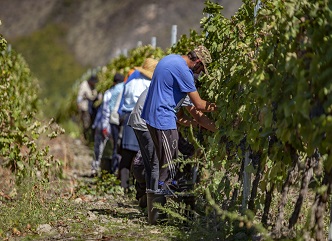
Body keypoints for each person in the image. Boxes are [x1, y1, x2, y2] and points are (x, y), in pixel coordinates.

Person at [141, 45, 217, 189]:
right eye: (201, 69)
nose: (200, 73)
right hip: (163, 119)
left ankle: (155, 205)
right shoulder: (183, 71)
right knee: (169, 168)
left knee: (164, 164)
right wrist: (219, 107)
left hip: (152, 116)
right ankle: (160, 208)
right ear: (198, 62)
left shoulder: (171, 59)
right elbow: (199, 105)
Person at [128, 86, 217, 207]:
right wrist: (218, 129)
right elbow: (198, 114)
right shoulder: (183, 88)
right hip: (147, 121)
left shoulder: (169, 83)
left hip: (139, 120)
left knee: (152, 165)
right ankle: (156, 207)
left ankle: (148, 203)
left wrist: (195, 124)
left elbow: (180, 117)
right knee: (157, 165)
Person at [117, 58, 159, 190]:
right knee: (143, 154)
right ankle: (140, 187)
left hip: (128, 116)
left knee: (127, 153)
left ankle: (124, 185)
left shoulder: (131, 81)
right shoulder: (149, 83)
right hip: (142, 117)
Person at [90, 73, 124, 176]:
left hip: (102, 124)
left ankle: (96, 169)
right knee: (106, 148)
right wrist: (105, 126)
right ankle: (102, 171)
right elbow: (106, 111)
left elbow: (104, 111)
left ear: (113, 82)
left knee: (99, 147)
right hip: (108, 125)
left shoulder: (109, 92)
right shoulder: (118, 92)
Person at [101, 73, 125, 174]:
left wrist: (105, 125)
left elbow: (108, 108)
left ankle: (113, 170)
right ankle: (117, 170)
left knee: (115, 145)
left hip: (113, 119)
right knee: (121, 145)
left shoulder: (113, 90)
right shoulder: (125, 87)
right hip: (121, 119)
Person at [77, 75, 99, 141]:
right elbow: (80, 96)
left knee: (90, 122)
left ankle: (88, 137)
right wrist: (79, 104)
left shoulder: (93, 87)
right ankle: (85, 137)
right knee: (86, 123)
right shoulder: (84, 85)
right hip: (85, 107)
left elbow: (94, 95)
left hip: (91, 107)